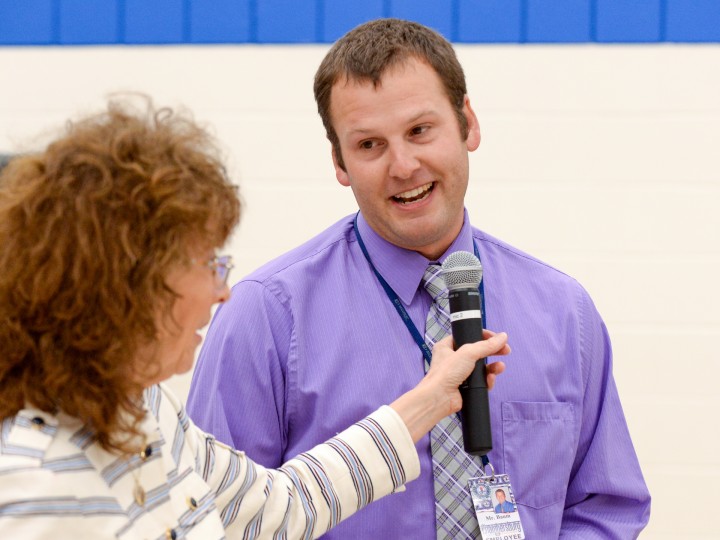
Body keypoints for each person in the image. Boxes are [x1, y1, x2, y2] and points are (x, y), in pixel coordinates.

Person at [187, 18, 651, 539]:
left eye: (419, 131)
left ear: (468, 124)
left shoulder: (564, 311)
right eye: (369, 145)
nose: (403, 166)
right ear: (339, 162)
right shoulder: (266, 317)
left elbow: (604, 508)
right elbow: (211, 519)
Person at [0, 97, 510, 539]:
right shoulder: (39, 486)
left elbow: (278, 505)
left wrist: (430, 399)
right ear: (124, 283)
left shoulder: (141, 408)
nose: (222, 290)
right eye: (206, 263)